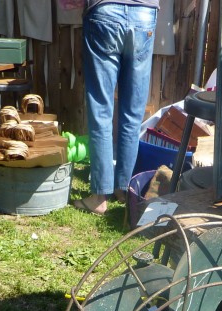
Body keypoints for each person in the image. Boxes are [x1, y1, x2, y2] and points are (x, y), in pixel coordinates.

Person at [75, 0, 159, 215]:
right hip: (144, 12)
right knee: (132, 112)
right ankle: (123, 190)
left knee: (101, 111)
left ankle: (99, 197)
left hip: (105, 10)